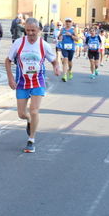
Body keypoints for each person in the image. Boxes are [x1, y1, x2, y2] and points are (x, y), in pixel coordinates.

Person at [5, 18, 60, 153]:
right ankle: (29, 120)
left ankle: (31, 140)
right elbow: (8, 61)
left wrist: (56, 68)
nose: (30, 33)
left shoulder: (44, 45)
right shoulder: (19, 43)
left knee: (34, 110)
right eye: (27, 30)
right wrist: (10, 78)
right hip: (22, 82)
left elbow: (54, 60)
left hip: (38, 81)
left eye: (33, 31)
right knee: (22, 114)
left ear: (39, 31)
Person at [58, 18, 78, 82]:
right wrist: (60, 37)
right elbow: (59, 37)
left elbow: (77, 39)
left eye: (69, 21)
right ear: (65, 22)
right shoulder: (62, 29)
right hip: (64, 47)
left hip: (71, 48)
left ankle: (70, 70)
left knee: (70, 61)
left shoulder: (73, 30)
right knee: (65, 59)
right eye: (67, 21)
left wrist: (71, 35)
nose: (68, 23)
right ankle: (64, 75)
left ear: (71, 23)